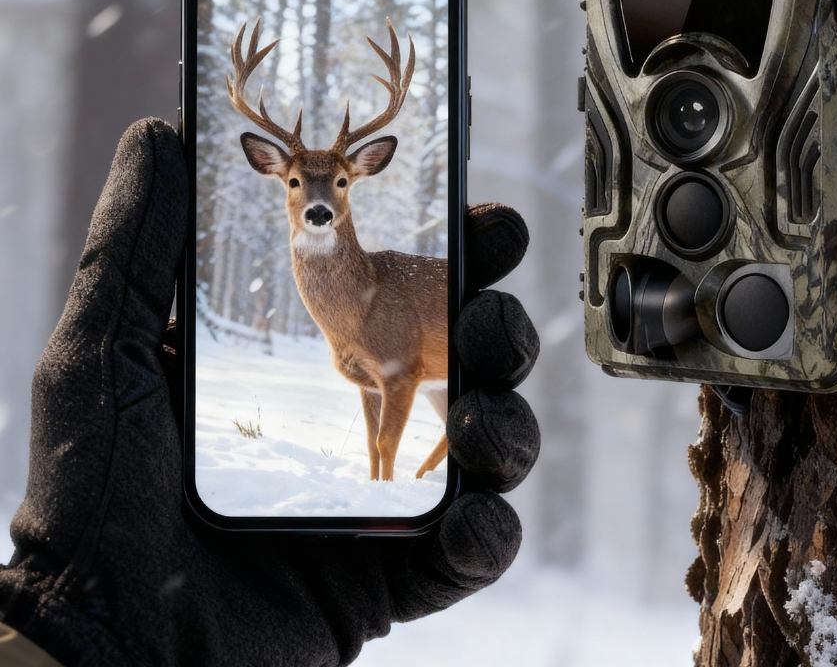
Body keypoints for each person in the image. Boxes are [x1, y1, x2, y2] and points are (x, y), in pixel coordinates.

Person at [0, 119, 541, 666]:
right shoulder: (339, 288)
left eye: (338, 184)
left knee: (445, 401)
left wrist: (77, 631)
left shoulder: (384, 286)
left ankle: (403, 480)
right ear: (277, 175)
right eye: (300, 184)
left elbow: (400, 377)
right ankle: (397, 482)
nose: (319, 199)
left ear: (360, 176)